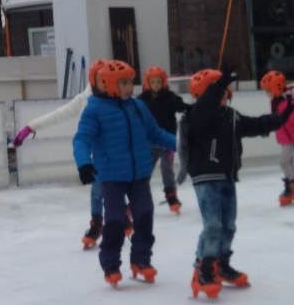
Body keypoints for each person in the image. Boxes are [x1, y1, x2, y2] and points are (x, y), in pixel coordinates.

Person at [183, 69, 294, 298]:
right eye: (215, 90)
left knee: (228, 226)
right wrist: (219, 83)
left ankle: (221, 264)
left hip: (226, 177)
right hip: (205, 177)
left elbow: (254, 125)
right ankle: (203, 269)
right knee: (213, 226)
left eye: (224, 90)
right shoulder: (197, 115)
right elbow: (203, 108)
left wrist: (280, 119)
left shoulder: (230, 116)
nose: (222, 93)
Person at [72, 60, 177, 287]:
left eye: (131, 82)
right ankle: (111, 264)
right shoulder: (94, 109)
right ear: (109, 84)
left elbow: (155, 134)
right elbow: (82, 139)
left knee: (145, 215)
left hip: (139, 175)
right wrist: (83, 163)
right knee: (115, 221)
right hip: (111, 177)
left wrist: (182, 144)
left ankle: (141, 260)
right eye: (124, 83)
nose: (130, 87)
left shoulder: (137, 107)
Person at [12, 59, 114, 248]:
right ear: (93, 79)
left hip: (120, 154)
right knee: (98, 191)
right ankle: (98, 224)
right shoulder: (84, 100)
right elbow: (59, 114)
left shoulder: (120, 100)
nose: (104, 82)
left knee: (117, 189)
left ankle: (122, 217)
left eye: (107, 77)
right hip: (99, 156)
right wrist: (31, 127)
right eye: (100, 78)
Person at [140, 66, 188, 214]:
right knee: (145, 171)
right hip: (149, 143)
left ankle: (171, 195)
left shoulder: (170, 98)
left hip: (168, 142)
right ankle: (139, 197)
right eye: (152, 82)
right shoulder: (142, 100)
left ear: (163, 82)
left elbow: (185, 108)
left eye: (158, 81)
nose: (155, 85)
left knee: (167, 170)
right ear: (147, 83)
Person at [259, 70, 294, 206]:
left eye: (268, 90)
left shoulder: (288, 104)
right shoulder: (277, 103)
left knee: (283, 162)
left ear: (276, 89)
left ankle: (292, 187)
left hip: (291, 139)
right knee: (289, 163)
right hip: (285, 139)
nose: (267, 94)